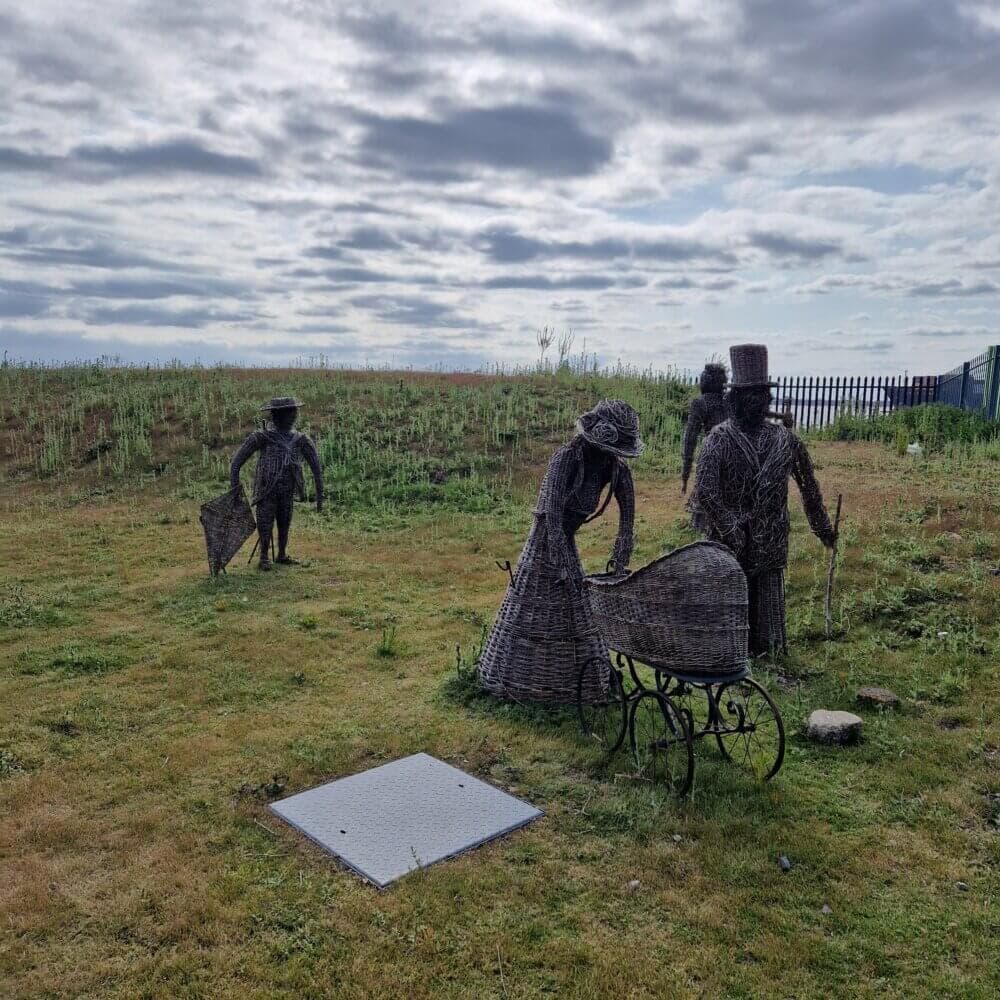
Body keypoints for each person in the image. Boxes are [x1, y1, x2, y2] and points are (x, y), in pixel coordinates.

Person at [478, 400, 642, 702]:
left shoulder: (613, 469)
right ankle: (534, 686)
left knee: (581, 616)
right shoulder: (566, 459)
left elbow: (627, 519)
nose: (613, 456)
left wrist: (621, 556)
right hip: (544, 545)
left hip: (566, 541)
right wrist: (562, 564)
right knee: (542, 613)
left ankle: (590, 682)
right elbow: (552, 518)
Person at [687, 345, 835, 656]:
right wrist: (728, 524)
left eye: (760, 393)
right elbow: (706, 488)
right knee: (732, 601)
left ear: (767, 397)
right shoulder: (720, 438)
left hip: (770, 538)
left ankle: (769, 652)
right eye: (748, 394)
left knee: (767, 603)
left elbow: (809, 488)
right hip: (733, 542)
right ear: (736, 398)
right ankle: (729, 650)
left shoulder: (785, 440)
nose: (755, 400)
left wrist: (823, 528)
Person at [230, 397, 324, 571]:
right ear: (274, 416)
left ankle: (281, 554)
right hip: (267, 490)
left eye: (293, 412)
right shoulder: (262, 437)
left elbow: (316, 468)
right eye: (286, 413)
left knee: (285, 520)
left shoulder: (300, 440)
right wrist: (234, 489)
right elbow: (236, 463)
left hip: (287, 490)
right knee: (265, 521)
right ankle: (264, 556)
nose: (291, 416)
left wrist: (320, 495)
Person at [681, 361, 728, 493]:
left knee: (704, 502)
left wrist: (685, 475)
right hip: (735, 456)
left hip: (711, 457)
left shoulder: (700, 402)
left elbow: (690, 439)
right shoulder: (729, 402)